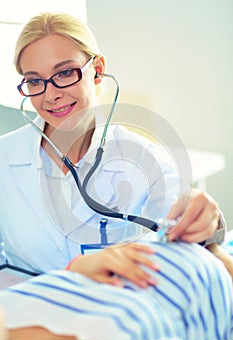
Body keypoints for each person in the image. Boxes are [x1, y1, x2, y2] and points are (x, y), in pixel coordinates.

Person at [0, 12, 224, 282]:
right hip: (29, 316)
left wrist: (205, 220)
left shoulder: (140, 156)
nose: (51, 94)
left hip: (117, 316)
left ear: (97, 70)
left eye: (65, 73)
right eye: (35, 80)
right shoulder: (5, 159)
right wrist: (70, 276)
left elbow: (190, 230)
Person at [0, 240, 232, 340]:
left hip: (104, 274)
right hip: (207, 301)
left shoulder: (9, 308)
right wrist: (215, 251)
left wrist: (76, 267)